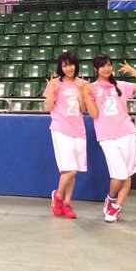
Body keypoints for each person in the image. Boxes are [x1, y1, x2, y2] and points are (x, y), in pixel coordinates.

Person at [84, 54, 136, 223]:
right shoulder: (92, 88)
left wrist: (132, 70)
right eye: (102, 65)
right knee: (120, 174)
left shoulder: (121, 85)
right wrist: (86, 94)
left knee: (127, 173)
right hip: (107, 136)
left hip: (127, 133)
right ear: (96, 69)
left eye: (108, 65)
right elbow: (94, 114)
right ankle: (111, 198)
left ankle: (116, 207)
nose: (106, 68)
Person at [44, 51, 88, 219]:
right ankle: (58, 196)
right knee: (70, 170)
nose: (68, 68)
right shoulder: (55, 83)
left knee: (73, 171)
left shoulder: (82, 83)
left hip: (79, 130)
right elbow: (48, 107)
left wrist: (81, 91)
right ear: (60, 67)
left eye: (71, 64)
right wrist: (51, 90)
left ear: (76, 65)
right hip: (61, 129)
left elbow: (83, 109)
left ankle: (67, 204)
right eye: (65, 65)